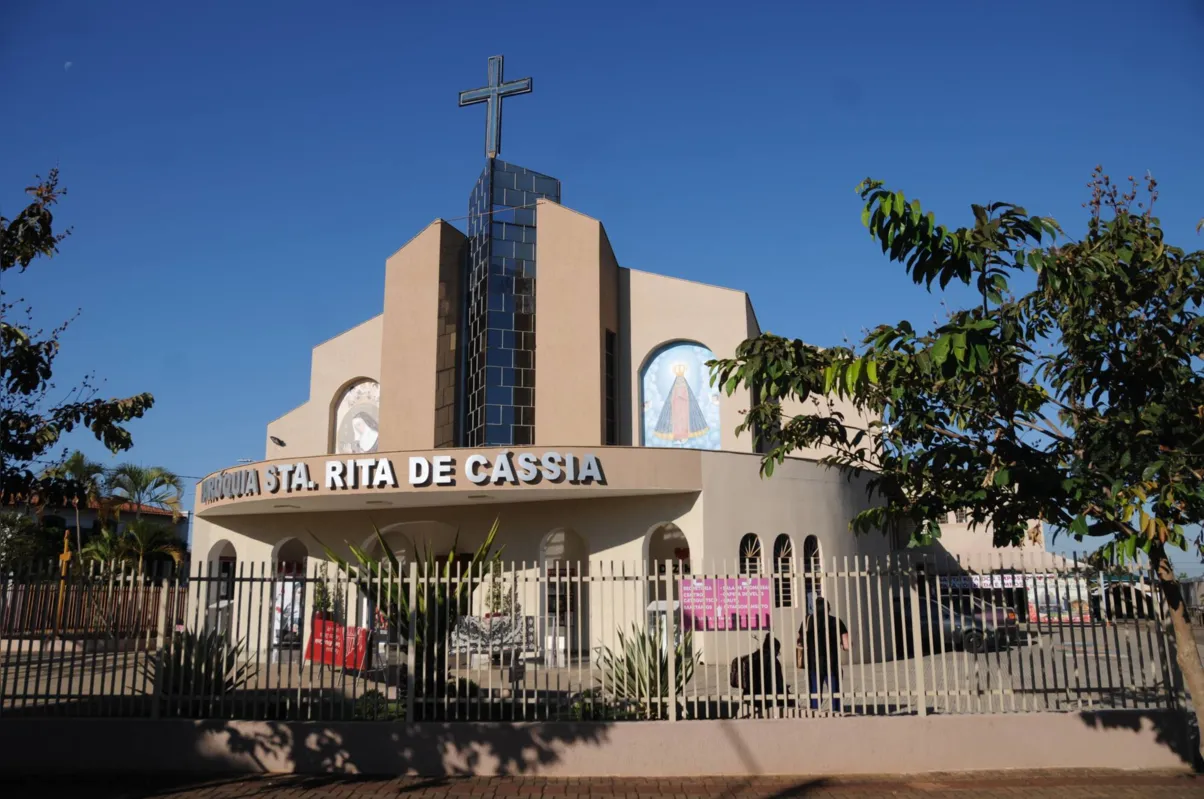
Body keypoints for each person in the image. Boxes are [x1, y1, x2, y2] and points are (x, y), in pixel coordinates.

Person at [801, 597, 849, 712]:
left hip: (813, 662)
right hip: (832, 663)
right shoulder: (836, 621)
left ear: (814, 608)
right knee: (834, 691)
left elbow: (800, 641)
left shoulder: (808, 621)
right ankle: (835, 712)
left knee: (815, 691)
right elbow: (846, 646)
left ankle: (815, 713)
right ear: (828, 608)